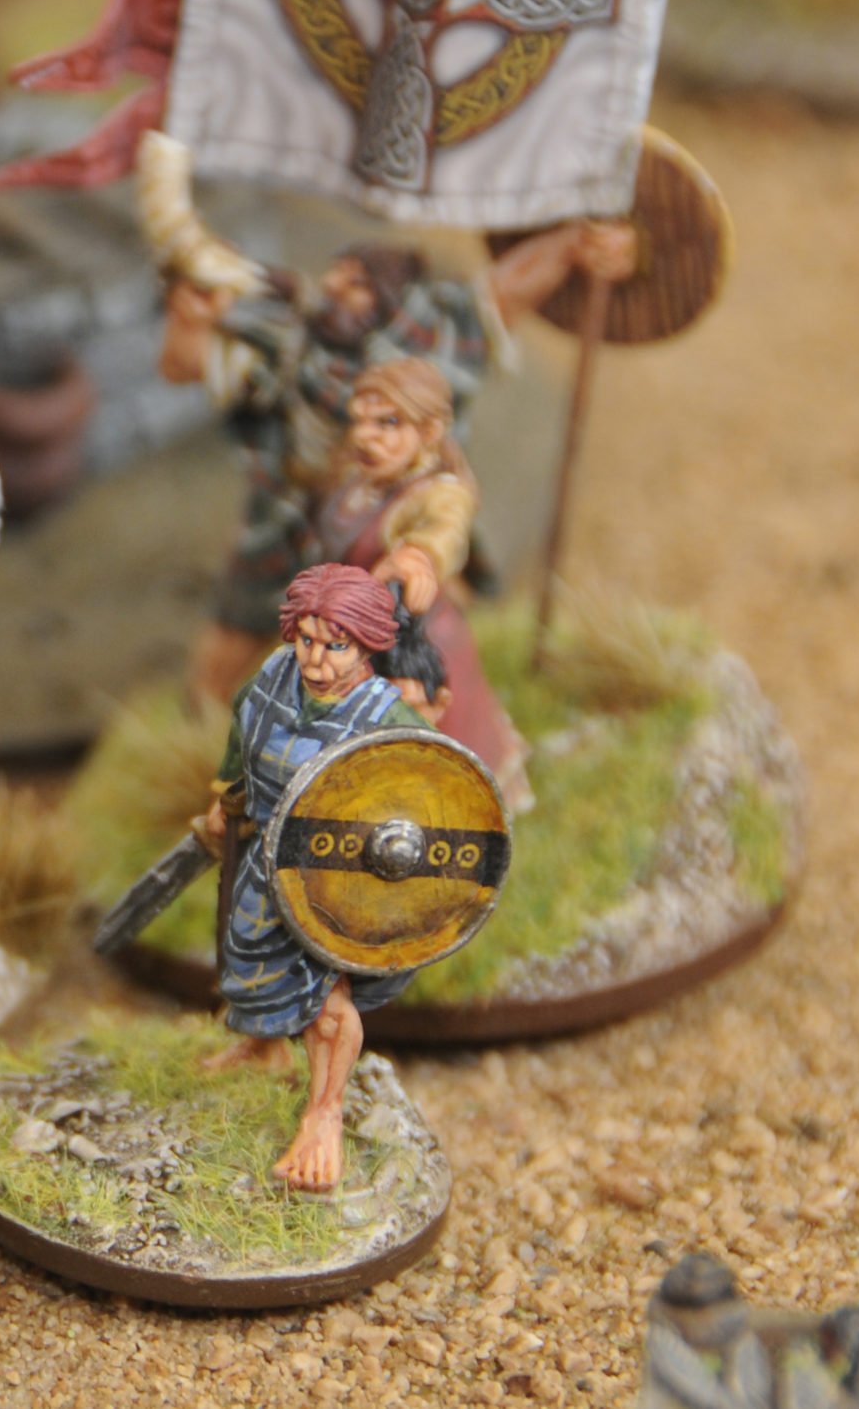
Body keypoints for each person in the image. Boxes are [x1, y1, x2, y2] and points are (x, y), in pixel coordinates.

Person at [137, 129, 637, 702]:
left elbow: (508, 289)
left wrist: (576, 243)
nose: (332, 288)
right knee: (226, 653)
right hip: (291, 517)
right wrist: (191, 317)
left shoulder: (435, 342)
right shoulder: (294, 347)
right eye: (335, 275)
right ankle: (214, 735)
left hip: (392, 525)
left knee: (425, 650)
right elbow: (185, 364)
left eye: (354, 284)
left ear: (388, 302)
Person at [194, 563, 428, 1191]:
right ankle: (264, 1049)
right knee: (250, 961)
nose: (316, 660)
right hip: (266, 861)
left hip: (339, 883)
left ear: (367, 645)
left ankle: (324, 1116)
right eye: (307, 640)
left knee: (326, 1001)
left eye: (336, 646)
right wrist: (228, 793)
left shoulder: (385, 718)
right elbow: (244, 727)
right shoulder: (274, 676)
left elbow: (438, 790)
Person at [312, 356, 528, 810]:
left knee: (435, 758)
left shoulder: (438, 493)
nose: (365, 435)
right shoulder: (358, 480)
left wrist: (418, 556)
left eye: (387, 423)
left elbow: (443, 530)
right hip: (350, 642)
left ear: (429, 431)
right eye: (359, 420)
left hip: (412, 648)